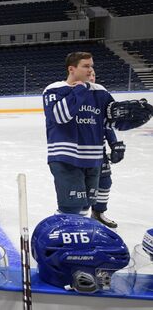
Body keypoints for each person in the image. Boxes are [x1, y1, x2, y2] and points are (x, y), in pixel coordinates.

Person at [43, 52, 152, 216]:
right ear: (72, 69)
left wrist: (126, 125)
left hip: (93, 159)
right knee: (71, 207)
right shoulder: (55, 89)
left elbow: (110, 120)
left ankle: (82, 237)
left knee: (85, 207)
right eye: (86, 66)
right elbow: (60, 115)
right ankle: (65, 237)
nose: (90, 70)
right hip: (65, 156)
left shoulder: (100, 92)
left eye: (91, 66)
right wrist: (80, 89)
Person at [89, 70, 123, 228]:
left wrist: (114, 144)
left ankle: (98, 213)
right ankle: (78, 217)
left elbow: (107, 125)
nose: (91, 77)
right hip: (77, 151)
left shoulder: (101, 96)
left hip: (98, 150)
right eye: (88, 74)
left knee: (105, 181)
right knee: (80, 185)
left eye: (94, 75)